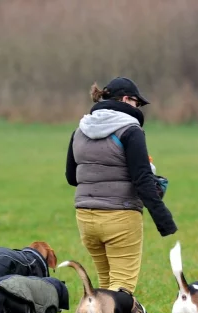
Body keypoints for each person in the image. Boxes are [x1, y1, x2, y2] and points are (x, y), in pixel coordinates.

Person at [65, 76, 177, 295]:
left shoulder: (79, 131)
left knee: (105, 285)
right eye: (138, 103)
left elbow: (72, 177)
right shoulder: (130, 131)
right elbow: (142, 179)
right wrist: (164, 220)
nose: (139, 108)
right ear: (127, 99)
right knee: (121, 289)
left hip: (85, 217)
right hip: (120, 216)